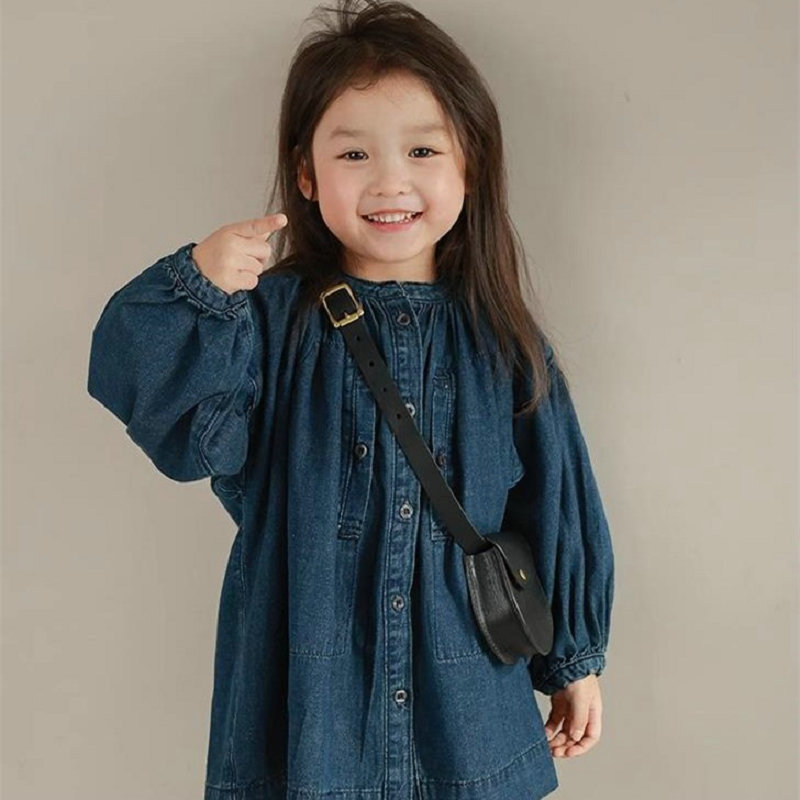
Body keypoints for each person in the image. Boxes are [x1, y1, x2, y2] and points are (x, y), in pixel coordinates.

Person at [87, 0, 615, 798]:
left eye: (422, 149)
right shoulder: (263, 323)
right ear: (307, 173)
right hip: (310, 711)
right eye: (355, 153)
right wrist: (198, 285)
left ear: (470, 164)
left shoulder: (502, 339)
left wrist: (574, 659)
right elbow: (181, 428)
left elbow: (557, 501)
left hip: (468, 706)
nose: (390, 181)